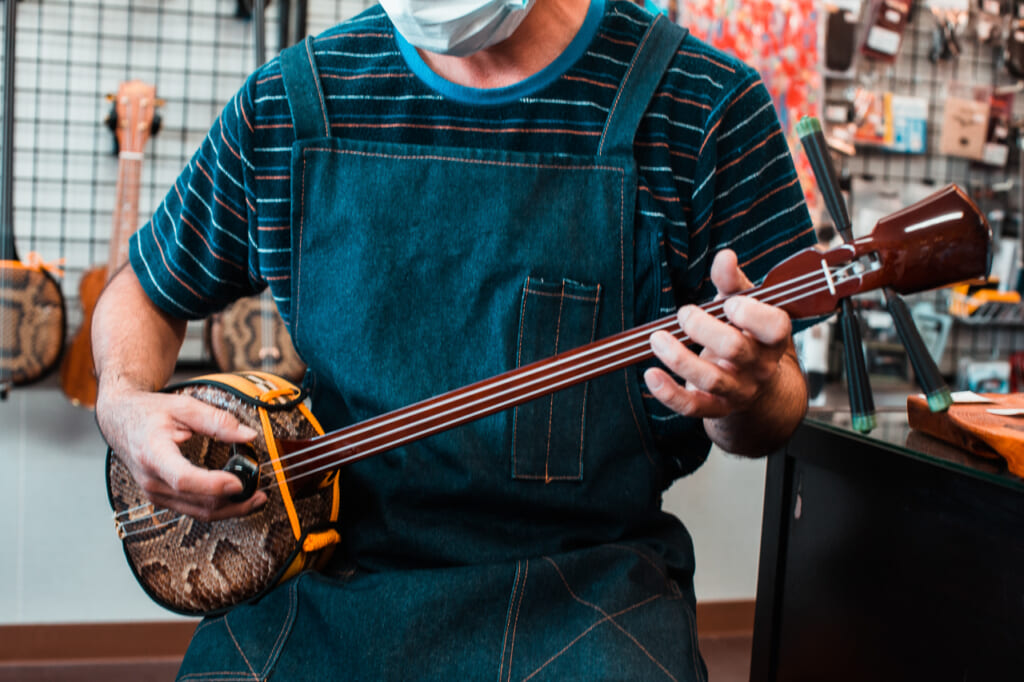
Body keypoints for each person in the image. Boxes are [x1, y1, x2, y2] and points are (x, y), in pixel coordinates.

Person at [93, 0, 815, 678]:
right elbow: (145, 290)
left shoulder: (702, 105)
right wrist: (122, 402)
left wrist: (742, 395)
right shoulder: (295, 101)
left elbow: (775, 408)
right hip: (328, 576)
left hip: (584, 587)